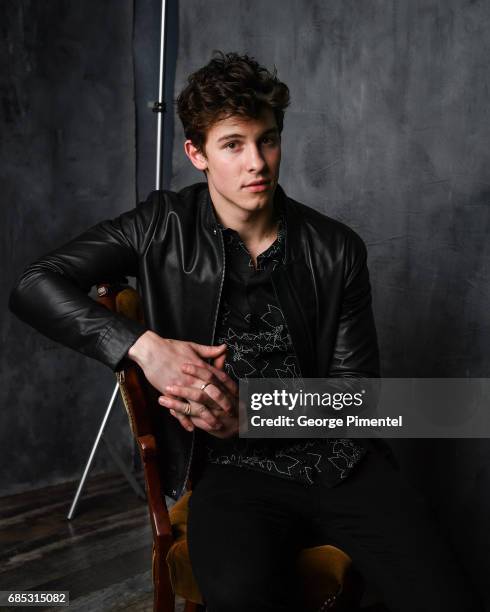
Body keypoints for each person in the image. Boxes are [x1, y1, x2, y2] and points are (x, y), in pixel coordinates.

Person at [9, 51, 481, 612]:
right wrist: (145, 347)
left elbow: (362, 401)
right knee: (240, 592)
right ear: (197, 153)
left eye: (268, 140)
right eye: (233, 144)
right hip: (232, 472)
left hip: (345, 464)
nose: (257, 162)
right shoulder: (160, 225)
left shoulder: (335, 249)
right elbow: (34, 284)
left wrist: (254, 411)